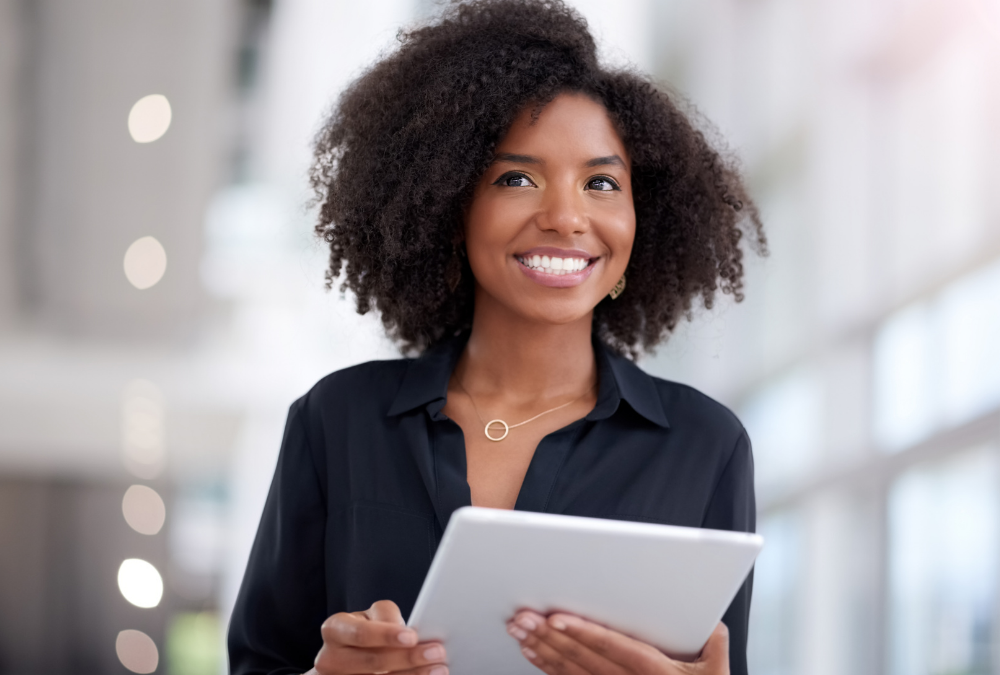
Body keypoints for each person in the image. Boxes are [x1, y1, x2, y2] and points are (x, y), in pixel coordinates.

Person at [228, 1, 766, 674]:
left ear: (643, 216)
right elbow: (260, 660)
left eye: (601, 182)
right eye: (517, 178)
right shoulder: (338, 420)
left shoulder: (705, 445)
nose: (566, 216)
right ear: (450, 203)